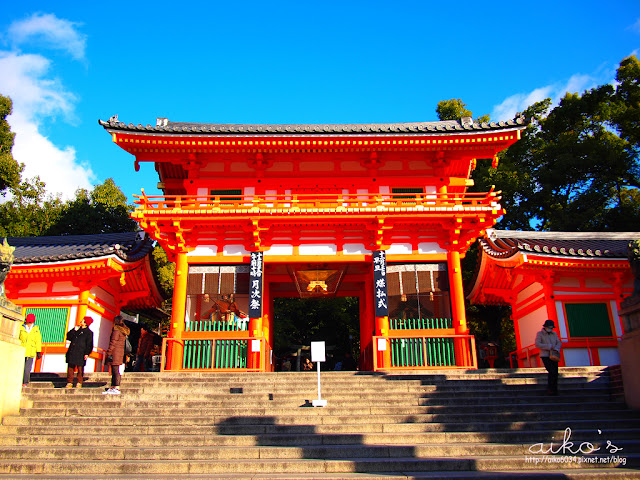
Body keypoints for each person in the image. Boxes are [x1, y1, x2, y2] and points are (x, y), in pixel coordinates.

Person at [103, 315, 130, 395]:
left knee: (115, 370)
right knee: (116, 370)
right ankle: (113, 386)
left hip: (115, 352)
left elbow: (113, 342)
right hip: (120, 352)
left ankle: (116, 386)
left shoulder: (116, 330)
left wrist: (109, 352)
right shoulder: (123, 331)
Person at [65, 316, 94, 388]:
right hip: (73, 350)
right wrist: (73, 330)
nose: (81, 321)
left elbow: (89, 344)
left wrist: (87, 353)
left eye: (83, 320)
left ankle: (79, 382)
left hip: (81, 352)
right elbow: (68, 337)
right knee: (70, 367)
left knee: (80, 368)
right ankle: (69, 382)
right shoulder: (76, 329)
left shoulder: (89, 333)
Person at [535, 319, 562, 395]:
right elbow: (537, 344)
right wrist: (549, 346)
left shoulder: (554, 334)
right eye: (549, 327)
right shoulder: (540, 334)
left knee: (555, 373)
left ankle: (555, 389)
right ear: (546, 327)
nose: (551, 329)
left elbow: (559, 342)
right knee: (551, 371)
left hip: (554, 354)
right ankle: (550, 388)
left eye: (552, 327)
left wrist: (556, 348)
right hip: (545, 355)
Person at [19, 313, 42, 387]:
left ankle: (25, 382)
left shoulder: (36, 330)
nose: (29, 324)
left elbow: (38, 341)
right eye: (28, 322)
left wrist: (38, 351)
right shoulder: (21, 328)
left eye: (31, 322)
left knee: (27, 368)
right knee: (20, 367)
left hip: (31, 351)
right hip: (21, 350)